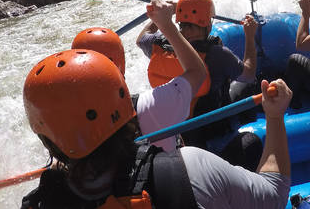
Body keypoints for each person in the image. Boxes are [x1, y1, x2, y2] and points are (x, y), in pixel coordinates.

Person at [20, 48, 292, 209]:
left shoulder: (38, 203)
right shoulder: (192, 166)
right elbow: (275, 195)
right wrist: (275, 116)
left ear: (46, 138)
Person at [136, 0, 261, 167]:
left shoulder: (158, 45)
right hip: (213, 134)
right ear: (207, 24)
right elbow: (249, 74)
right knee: (247, 86)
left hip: (178, 135)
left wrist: (166, 17)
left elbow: (140, 39)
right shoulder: (217, 55)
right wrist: (249, 36)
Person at [69, 1, 207, 153]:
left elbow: (142, 39)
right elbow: (197, 71)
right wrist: (165, 23)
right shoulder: (152, 105)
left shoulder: (67, 130)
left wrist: (159, 22)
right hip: (170, 168)